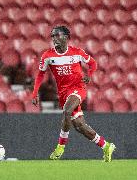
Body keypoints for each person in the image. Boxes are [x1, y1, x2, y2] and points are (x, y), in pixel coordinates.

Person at [32, 26, 116, 162]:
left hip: (77, 88)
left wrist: (89, 74)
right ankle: (106, 146)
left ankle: (60, 147)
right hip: (63, 93)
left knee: (67, 110)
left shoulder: (77, 52)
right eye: (52, 36)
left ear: (66, 37)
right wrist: (35, 93)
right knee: (79, 126)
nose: (54, 39)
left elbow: (93, 64)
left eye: (57, 35)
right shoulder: (47, 55)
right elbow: (40, 74)